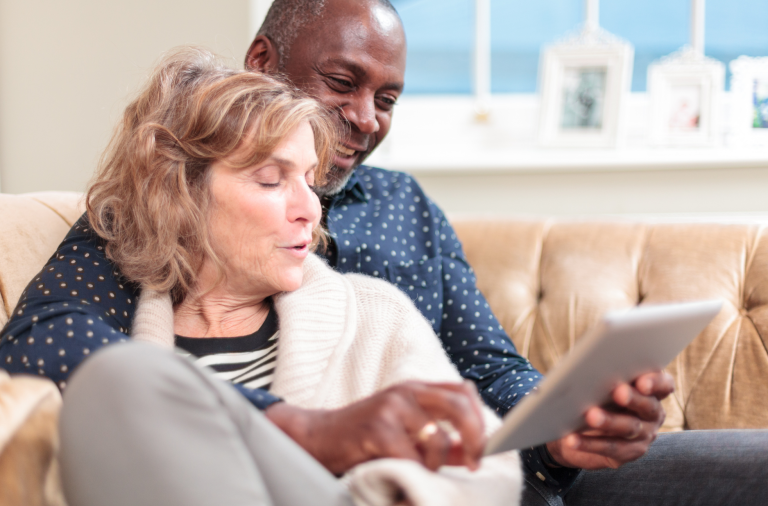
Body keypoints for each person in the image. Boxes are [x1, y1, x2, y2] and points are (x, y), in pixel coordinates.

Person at [1, 1, 767, 505]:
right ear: (263, 62)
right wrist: (305, 426)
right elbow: (49, 340)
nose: (366, 119)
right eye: (343, 82)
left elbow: (491, 367)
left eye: (389, 99)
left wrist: (563, 419)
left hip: (477, 475)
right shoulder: (154, 218)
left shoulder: (403, 211)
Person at [56, 47, 521, 506]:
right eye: (271, 180)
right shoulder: (114, 333)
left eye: (310, 179)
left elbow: (491, 465)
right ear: (180, 194)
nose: (311, 209)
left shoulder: (378, 316)